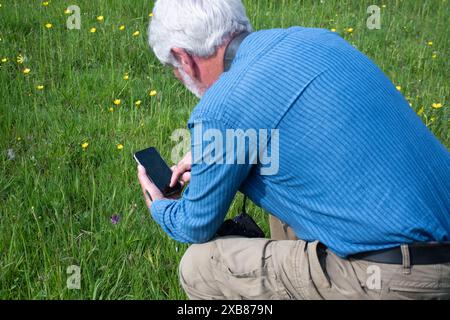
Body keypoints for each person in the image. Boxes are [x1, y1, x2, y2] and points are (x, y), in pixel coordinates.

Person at [137, 0, 450, 300]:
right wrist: (215, 156)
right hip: (434, 248)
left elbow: (195, 224)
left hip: (400, 278)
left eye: (172, 68)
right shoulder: (317, 40)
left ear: (185, 59)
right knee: (282, 186)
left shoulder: (222, 107)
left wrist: (160, 206)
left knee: (201, 267)